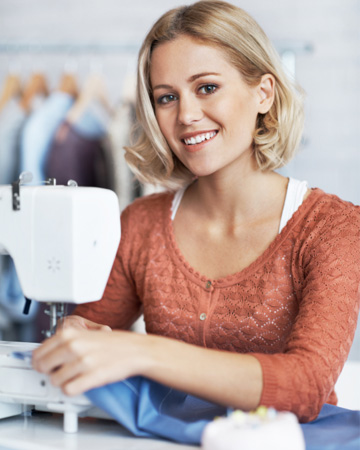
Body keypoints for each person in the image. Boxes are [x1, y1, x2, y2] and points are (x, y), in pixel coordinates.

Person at [32, 0, 360, 423]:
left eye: (207, 87)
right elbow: (85, 335)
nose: (185, 115)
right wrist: (75, 334)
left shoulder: (333, 229)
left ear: (263, 93)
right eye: (166, 98)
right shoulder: (141, 226)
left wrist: (142, 351)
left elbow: (306, 385)